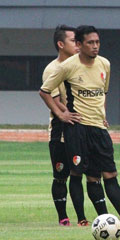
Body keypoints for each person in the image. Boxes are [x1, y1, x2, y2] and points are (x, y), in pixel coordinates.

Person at [39, 25, 120, 227]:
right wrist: (61, 114)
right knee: (75, 172)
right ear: (80, 45)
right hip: (77, 128)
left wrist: (103, 115)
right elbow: (45, 91)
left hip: (98, 128)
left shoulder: (105, 64)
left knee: (106, 174)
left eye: (97, 42)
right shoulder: (65, 67)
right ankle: (80, 218)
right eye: (90, 42)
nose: (95, 46)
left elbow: (103, 93)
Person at [42, 24, 79, 226]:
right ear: (60, 44)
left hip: (81, 127)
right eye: (74, 40)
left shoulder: (79, 66)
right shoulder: (52, 69)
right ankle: (63, 217)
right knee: (60, 175)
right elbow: (55, 100)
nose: (78, 44)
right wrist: (65, 114)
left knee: (82, 172)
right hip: (60, 130)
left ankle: (82, 216)